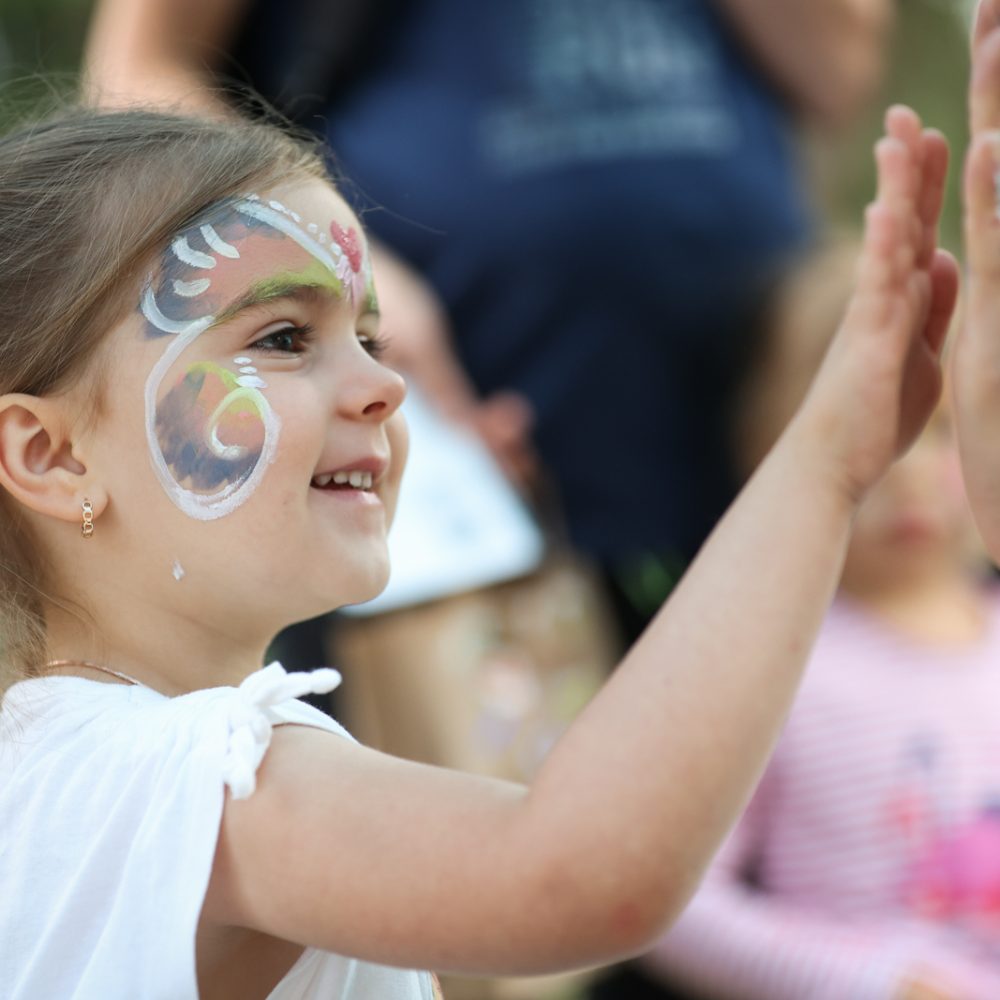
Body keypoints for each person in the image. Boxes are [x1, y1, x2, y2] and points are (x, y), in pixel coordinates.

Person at [0, 96, 954, 1000]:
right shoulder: (211, 778)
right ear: (51, 453)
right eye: (286, 336)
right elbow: (574, 875)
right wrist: (825, 464)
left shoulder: (49, 765)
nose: (383, 386)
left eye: (370, 336)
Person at [83, 0, 894, 633]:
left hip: (748, 450)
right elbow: (133, 74)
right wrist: (340, 275)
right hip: (451, 496)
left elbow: (837, 72)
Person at [629, 239, 1000, 1000]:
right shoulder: (768, 668)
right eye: (881, 437)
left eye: (944, 431)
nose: (915, 477)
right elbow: (669, 906)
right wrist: (874, 981)